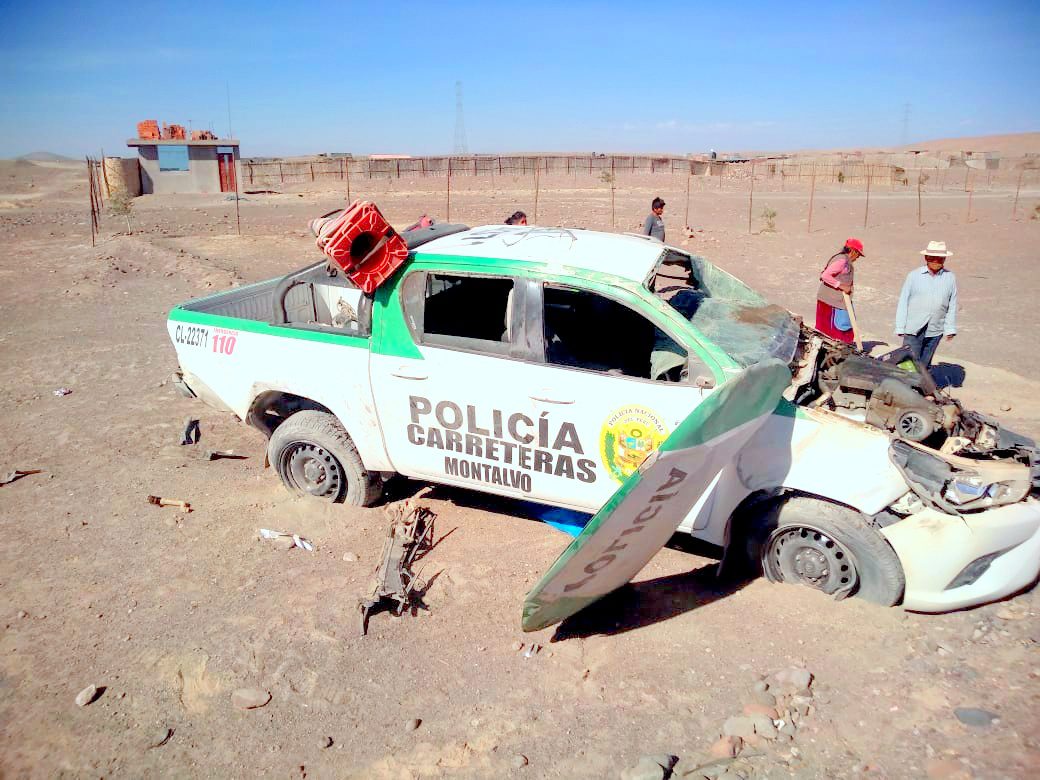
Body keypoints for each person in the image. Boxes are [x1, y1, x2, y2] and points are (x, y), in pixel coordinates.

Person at [895, 240, 958, 368]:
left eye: (940, 258)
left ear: (944, 259)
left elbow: (952, 304)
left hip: (936, 329)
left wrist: (950, 328)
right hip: (913, 328)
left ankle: (922, 380)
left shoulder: (950, 278)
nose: (936, 261)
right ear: (926, 258)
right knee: (908, 363)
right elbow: (903, 301)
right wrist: (900, 326)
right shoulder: (914, 276)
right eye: (932, 258)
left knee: (924, 364)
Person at [815, 238, 865, 344]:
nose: (858, 257)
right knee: (835, 329)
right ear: (853, 251)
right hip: (832, 301)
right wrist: (841, 286)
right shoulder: (842, 261)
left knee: (842, 325)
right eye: (858, 254)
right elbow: (825, 275)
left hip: (836, 300)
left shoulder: (845, 260)